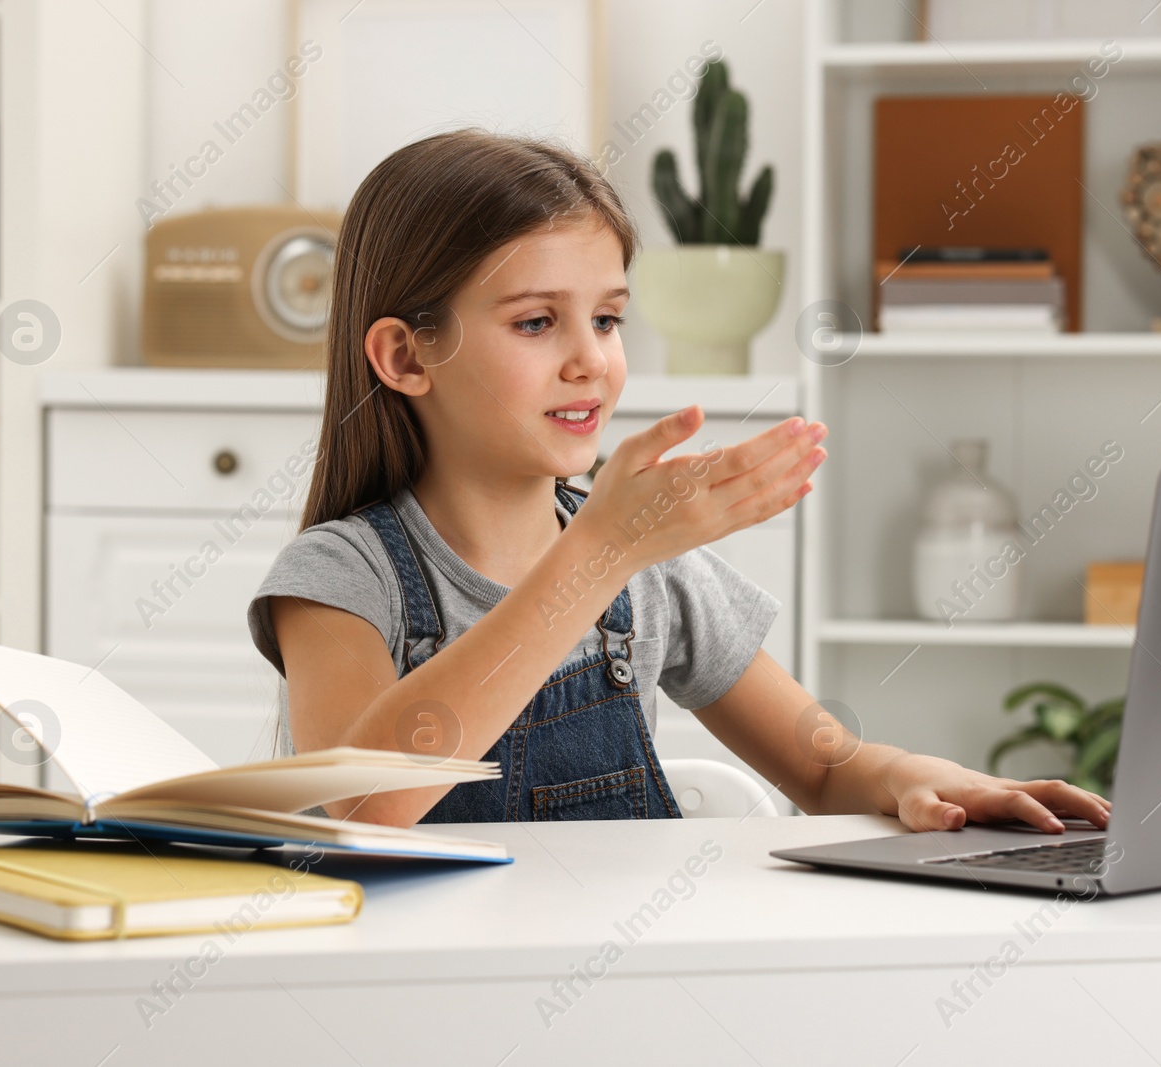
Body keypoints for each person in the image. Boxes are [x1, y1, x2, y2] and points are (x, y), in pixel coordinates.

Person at [246, 128, 1111, 833]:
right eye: (538, 322)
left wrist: (938, 781)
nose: (591, 358)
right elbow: (359, 806)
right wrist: (601, 550)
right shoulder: (343, 576)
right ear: (406, 354)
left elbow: (821, 761)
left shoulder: (646, 563)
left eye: (609, 318)